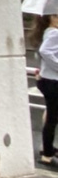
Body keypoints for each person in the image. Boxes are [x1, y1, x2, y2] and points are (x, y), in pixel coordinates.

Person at [34, 9, 58, 166]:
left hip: (47, 80)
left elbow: (40, 53)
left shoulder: (48, 32)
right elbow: (44, 52)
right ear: (51, 18)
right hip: (53, 81)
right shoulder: (54, 33)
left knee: (51, 115)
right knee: (52, 118)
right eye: (56, 16)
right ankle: (47, 153)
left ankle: (47, 148)